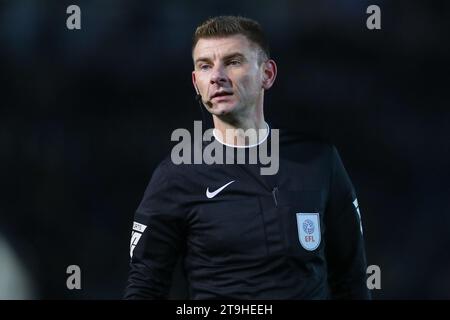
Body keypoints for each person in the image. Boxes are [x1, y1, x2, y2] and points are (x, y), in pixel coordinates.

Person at [124, 15, 370, 299]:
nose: (216, 76)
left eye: (233, 62)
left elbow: (351, 278)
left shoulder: (318, 161)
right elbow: (145, 287)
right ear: (196, 82)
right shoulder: (176, 174)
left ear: (267, 74)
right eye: (205, 66)